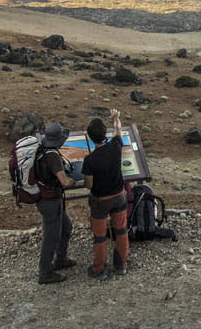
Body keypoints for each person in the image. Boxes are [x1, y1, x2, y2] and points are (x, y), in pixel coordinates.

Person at [83, 110, 130, 279]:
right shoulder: (115, 146)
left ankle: (99, 269)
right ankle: (121, 265)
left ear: (90, 137)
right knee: (121, 231)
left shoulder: (90, 160)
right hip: (119, 196)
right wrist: (116, 118)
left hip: (100, 201)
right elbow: (118, 130)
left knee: (100, 236)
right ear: (105, 133)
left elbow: (89, 185)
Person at [36, 122, 81, 284]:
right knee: (51, 236)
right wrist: (72, 181)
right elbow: (63, 181)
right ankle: (45, 273)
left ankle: (60, 259)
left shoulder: (42, 149)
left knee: (66, 226)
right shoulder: (53, 156)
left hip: (46, 198)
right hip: (50, 200)